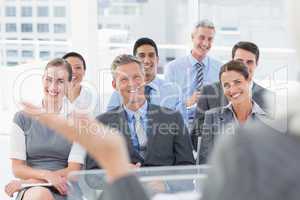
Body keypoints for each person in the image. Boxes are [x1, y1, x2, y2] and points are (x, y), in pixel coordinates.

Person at [86, 54, 194, 169]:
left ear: (145, 80)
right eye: (124, 79)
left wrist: (165, 183)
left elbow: (187, 166)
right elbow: (92, 175)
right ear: (114, 85)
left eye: (136, 77)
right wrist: (118, 171)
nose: (131, 83)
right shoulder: (101, 124)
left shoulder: (173, 118)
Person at [5, 58, 85, 200]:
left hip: (64, 186)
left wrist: (24, 183)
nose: (53, 87)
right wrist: (46, 176)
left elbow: (73, 170)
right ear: (42, 79)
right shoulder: (22, 118)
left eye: (60, 81)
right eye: (49, 79)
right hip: (32, 190)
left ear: (69, 84)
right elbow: (17, 168)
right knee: (40, 194)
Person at [191, 41, 275, 149]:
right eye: (239, 61)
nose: (243, 66)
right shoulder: (209, 92)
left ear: (256, 64)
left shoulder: (269, 98)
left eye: (249, 62)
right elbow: (195, 136)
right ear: (231, 61)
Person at [197, 60, 269, 164]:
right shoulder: (212, 117)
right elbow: (204, 162)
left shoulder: (268, 119)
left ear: (248, 80)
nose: (232, 90)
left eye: (237, 82)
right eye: (226, 85)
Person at [107, 37, 184, 117]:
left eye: (151, 55)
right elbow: (109, 124)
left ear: (157, 60)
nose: (147, 60)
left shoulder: (174, 91)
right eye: (142, 56)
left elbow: (182, 125)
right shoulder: (121, 92)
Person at [164, 19, 222, 122]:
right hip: (181, 125)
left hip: (210, 126)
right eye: (201, 37)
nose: (205, 43)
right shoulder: (172, 68)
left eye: (210, 39)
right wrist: (188, 102)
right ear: (192, 37)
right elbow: (167, 106)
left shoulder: (220, 69)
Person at [62, 52, 101, 117]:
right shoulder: (53, 95)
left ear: (84, 72)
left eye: (78, 67)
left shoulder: (93, 97)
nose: (73, 71)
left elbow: (98, 123)